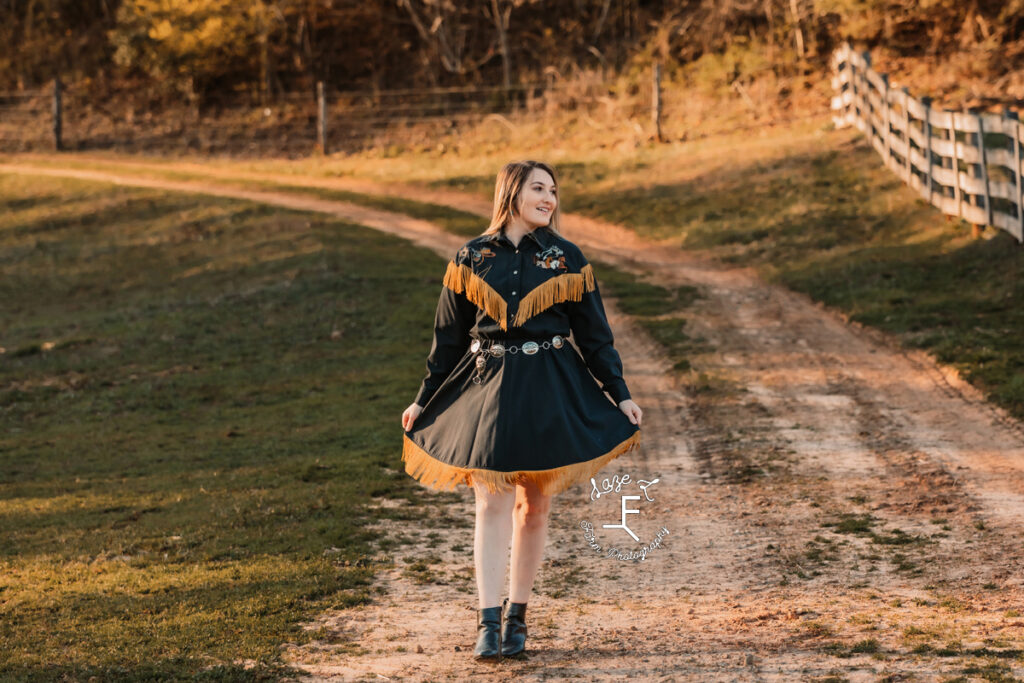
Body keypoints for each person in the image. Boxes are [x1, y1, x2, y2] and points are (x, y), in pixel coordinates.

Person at [400, 160, 642, 661]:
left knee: (534, 508)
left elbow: (596, 337)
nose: (549, 199)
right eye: (538, 188)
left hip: (550, 387)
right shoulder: (471, 257)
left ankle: (518, 619)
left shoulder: (567, 258)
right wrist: (423, 397)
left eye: (553, 191)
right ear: (512, 193)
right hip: (487, 389)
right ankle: (487, 623)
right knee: (490, 502)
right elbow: (447, 339)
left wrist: (619, 393)